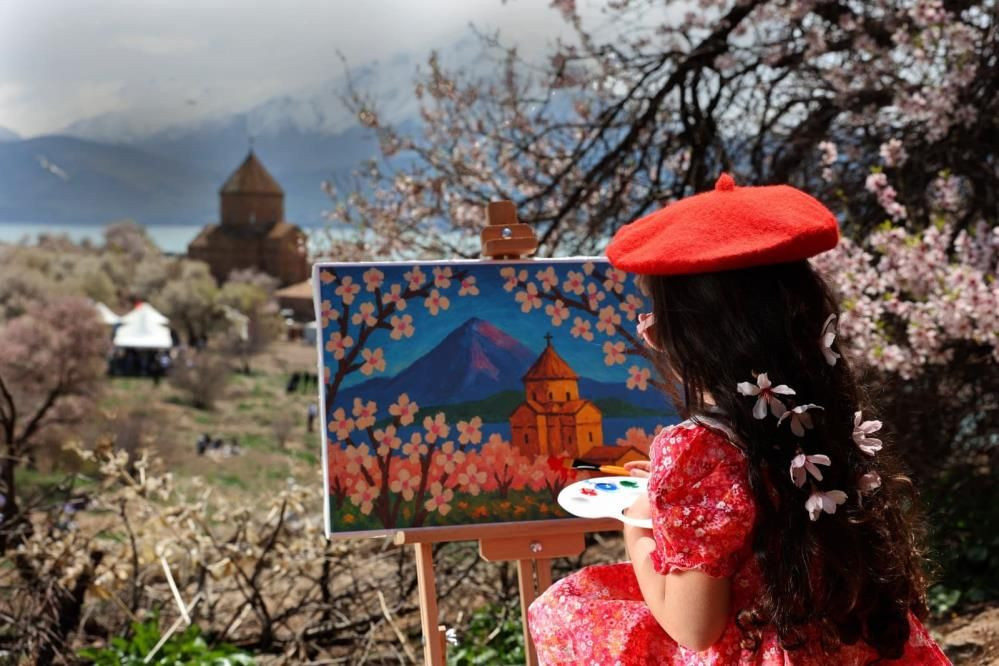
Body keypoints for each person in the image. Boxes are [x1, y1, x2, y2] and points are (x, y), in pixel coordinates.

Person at [527, 174, 950, 664]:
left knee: (576, 607)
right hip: (849, 645)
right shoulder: (818, 418)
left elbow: (695, 626)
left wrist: (639, 522)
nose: (651, 338)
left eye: (654, 323)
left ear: (695, 335)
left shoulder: (697, 449)